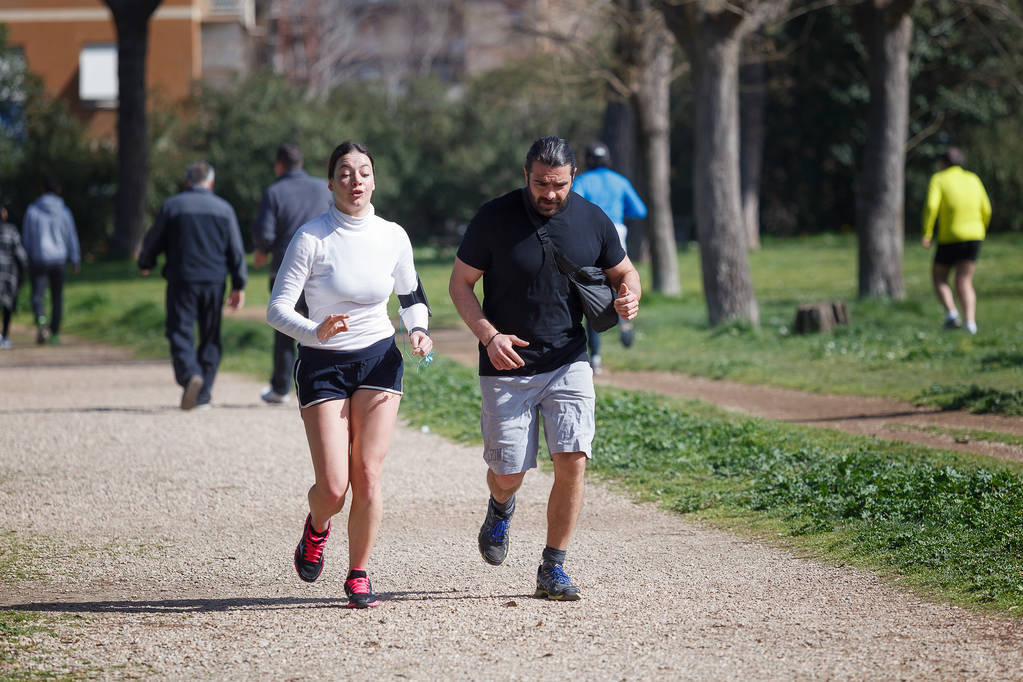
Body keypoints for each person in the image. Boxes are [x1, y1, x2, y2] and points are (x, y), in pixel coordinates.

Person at [449, 136, 641, 601]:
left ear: (573, 177)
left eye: (558, 185)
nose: (549, 194)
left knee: (573, 461)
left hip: (568, 359)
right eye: (540, 184)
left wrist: (630, 294)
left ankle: (553, 567)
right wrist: (489, 335)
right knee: (509, 474)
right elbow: (460, 284)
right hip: (507, 362)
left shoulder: (592, 219)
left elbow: (625, 272)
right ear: (525, 176)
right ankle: (501, 506)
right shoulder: (494, 218)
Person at [267, 140, 433, 609]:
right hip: (323, 363)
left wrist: (418, 330)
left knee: (368, 474)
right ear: (331, 183)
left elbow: (411, 296)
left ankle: (358, 573)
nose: (355, 180)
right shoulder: (311, 238)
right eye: (344, 172)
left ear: (374, 180)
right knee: (334, 488)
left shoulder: (392, 236)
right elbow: (277, 309)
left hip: (378, 359)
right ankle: (317, 527)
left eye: (363, 172)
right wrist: (314, 330)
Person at [137, 161, 247, 410]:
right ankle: (203, 395)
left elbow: (154, 239)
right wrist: (238, 284)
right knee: (210, 335)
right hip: (214, 281)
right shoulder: (224, 209)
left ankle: (190, 375)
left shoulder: (172, 206)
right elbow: (236, 250)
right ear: (211, 183)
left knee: (180, 332)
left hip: (182, 280)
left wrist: (146, 262)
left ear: (187, 181)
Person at [251, 142, 333, 405]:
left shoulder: (274, 192)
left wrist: (261, 251)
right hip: (323, 271)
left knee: (286, 327)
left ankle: (280, 388)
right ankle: (325, 385)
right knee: (323, 325)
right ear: (301, 163)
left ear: (279, 166)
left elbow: (265, 234)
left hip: (286, 271)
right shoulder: (324, 188)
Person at [571, 141, 646, 374]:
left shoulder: (582, 181)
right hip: (617, 234)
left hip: (591, 237)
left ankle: (596, 356)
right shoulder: (619, 181)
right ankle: (625, 324)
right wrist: (619, 210)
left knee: (592, 293)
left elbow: (572, 208)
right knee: (621, 284)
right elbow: (639, 210)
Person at [921, 147, 992, 335]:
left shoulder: (939, 179)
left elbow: (931, 206)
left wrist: (927, 233)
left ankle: (952, 314)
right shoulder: (973, 179)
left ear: (943, 163)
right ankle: (970, 323)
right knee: (964, 280)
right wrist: (981, 228)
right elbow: (986, 208)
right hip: (974, 235)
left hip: (950, 237)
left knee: (939, 277)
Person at [21, 176, 81, 345]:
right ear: (59, 191)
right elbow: (71, 236)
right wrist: (75, 259)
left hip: (39, 259)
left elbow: (27, 237)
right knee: (57, 297)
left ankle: (41, 320)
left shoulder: (32, 211)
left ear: (42, 190)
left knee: (38, 296)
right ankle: (54, 333)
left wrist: (25, 259)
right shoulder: (64, 211)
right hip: (59, 259)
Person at [0, 200, 28, 349]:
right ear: (4, 214)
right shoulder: (11, 230)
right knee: (7, 305)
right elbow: (20, 255)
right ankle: (4, 336)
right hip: (8, 274)